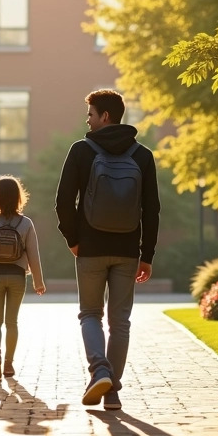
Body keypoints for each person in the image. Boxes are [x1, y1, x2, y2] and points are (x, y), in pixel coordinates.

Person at [55, 89, 159, 410]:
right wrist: (147, 255)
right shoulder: (142, 155)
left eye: (91, 114)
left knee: (90, 314)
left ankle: (99, 369)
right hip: (128, 250)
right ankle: (111, 390)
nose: (87, 119)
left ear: (105, 117)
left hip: (91, 247)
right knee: (120, 322)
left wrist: (73, 239)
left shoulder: (81, 151)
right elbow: (151, 209)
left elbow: (62, 202)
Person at [0, 175, 46, 380]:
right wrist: (38, 282)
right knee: (12, 322)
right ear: (18, 198)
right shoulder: (26, 223)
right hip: (17, 277)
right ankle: (8, 365)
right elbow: (33, 254)